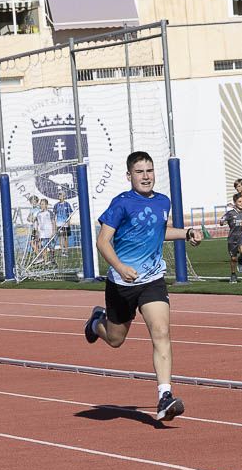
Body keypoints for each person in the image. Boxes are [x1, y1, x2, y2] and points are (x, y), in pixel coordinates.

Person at [82, 151, 203, 422]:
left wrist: (186, 233)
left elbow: (159, 233)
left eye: (149, 170)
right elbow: (103, 241)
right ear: (129, 176)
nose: (146, 176)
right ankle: (94, 323)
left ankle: (164, 396)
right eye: (139, 171)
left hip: (152, 280)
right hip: (121, 283)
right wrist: (121, 268)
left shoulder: (163, 201)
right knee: (115, 339)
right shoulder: (121, 203)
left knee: (161, 332)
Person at [221, 193, 242, 283]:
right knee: (233, 258)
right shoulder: (230, 213)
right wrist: (223, 222)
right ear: (235, 202)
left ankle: (241, 259)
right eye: (239, 201)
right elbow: (222, 220)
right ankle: (233, 274)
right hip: (232, 238)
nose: (241, 203)